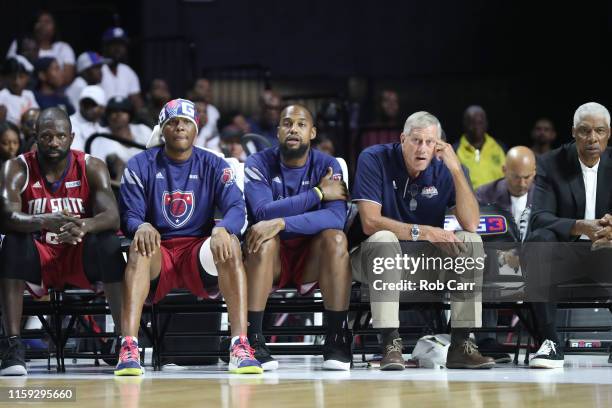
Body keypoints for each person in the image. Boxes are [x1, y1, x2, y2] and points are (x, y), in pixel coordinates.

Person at [118, 98, 261, 375]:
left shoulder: (215, 164)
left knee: (230, 243)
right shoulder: (139, 165)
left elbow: (236, 208)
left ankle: (240, 345)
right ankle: (128, 347)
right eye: (173, 122)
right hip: (160, 251)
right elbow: (129, 216)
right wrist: (140, 227)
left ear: (196, 130)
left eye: (186, 122)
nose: (180, 127)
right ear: (162, 129)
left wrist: (223, 228)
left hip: (198, 252)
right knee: (139, 247)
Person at [350, 111, 494, 370]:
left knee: (470, 240)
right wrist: (425, 232)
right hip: (372, 261)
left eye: (430, 143)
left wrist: (456, 169)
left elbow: (471, 223)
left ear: (439, 145)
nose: (422, 149)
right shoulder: (373, 158)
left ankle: (461, 345)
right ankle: (390, 344)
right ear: (403, 139)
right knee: (384, 238)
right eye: (416, 141)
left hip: (421, 264)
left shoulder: (445, 168)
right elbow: (370, 222)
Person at [0, 108, 125, 375]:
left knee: (109, 243)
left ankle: (123, 341)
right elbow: (6, 216)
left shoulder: (91, 165)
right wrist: (44, 221)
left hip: (78, 254)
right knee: (12, 241)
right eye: (46, 136)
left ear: (71, 137)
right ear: (35, 137)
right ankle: (13, 345)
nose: (54, 142)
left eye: (60, 136)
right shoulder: (16, 167)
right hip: (38, 257)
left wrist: (84, 225)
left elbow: (113, 216)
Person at [244, 104, 352, 371]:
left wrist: (280, 222)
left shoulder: (329, 165)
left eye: (301, 124)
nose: (293, 128)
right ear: (278, 131)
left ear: (312, 132)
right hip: (272, 259)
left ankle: (337, 338)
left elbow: (335, 219)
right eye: (287, 123)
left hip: (310, 260)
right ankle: (252, 339)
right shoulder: (258, 162)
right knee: (263, 238)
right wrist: (317, 194)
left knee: (336, 240)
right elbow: (261, 213)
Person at [527, 102, 612, 368]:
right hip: (566, 257)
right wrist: (579, 226)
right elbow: (539, 218)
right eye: (585, 131)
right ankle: (550, 343)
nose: (592, 138)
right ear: (573, 132)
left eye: (599, 131)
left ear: (609, 133)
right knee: (538, 240)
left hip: (606, 257)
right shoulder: (551, 163)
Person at [474, 146, 536, 361]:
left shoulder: (545, 194)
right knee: (486, 263)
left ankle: (545, 337)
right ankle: (487, 340)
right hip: (496, 260)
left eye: (527, 177)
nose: (522, 183)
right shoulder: (483, 194)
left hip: (534, 260)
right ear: (503, 170)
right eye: (516, 177)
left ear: (535, 173)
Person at [90, 96, 150, 186]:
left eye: (123, 110)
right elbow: (96, 174)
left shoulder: (142, 130)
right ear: (107, 115)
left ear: (130, 114)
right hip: (118, 188)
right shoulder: (101, 136)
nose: (118, 114)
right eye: (113, 111)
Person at [7, 11, 76, 86]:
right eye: (38, 21)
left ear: (55, 27)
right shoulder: (21, 44)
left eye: (47, 22)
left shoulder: (63, 48)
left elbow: (67, 78)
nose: (42, 25)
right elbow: (8, 72)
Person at [454, 105, 506, 189]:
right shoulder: (454, 150)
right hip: (469, 201)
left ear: (486, 123)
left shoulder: (500, 148)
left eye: (480, 122)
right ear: (465, 124)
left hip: (498, 200)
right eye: (472, 122)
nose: (476, 127)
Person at [100, 27, 143, 111]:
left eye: (121, 44)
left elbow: (136, 101)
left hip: (124, 117)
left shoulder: (128, 71)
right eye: (114, 44)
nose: (118, 48)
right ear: (105, 46)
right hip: (100, 118)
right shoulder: (97, 68)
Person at [0, 56, 39, 126]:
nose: (16, 82)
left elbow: (37, 115)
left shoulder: (29, 95)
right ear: (4, 78)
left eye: (21, 77)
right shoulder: (2, 96)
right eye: (12, 77)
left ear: (27, 78)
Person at [69, 85, 108, 152]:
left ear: (102, 109)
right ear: (80, 104)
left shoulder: (104, 130)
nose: (88, 107)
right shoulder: (68, 125)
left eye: (93, 104)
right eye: (85, 103)